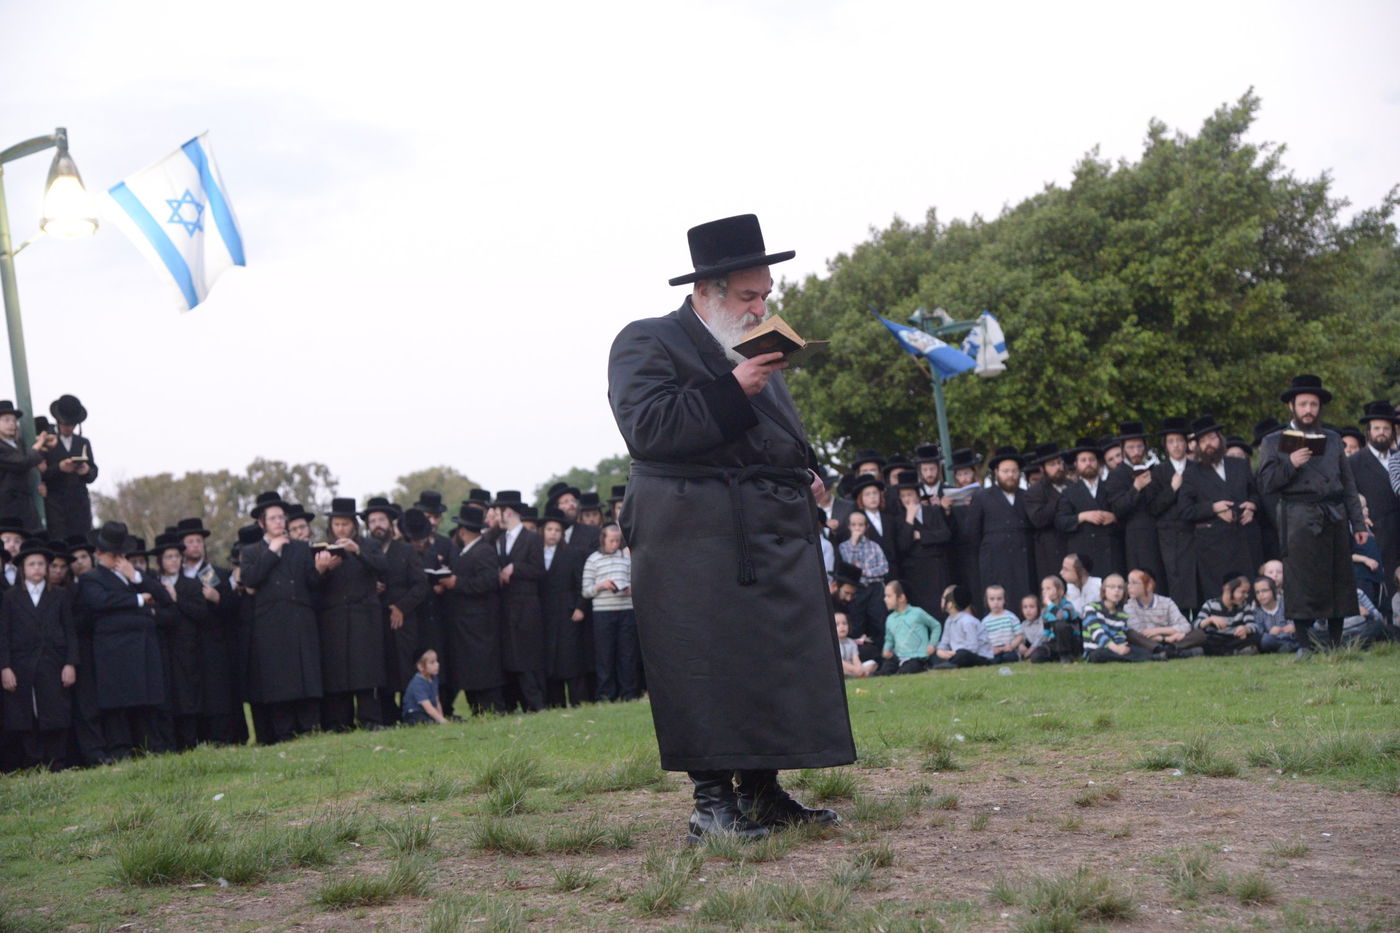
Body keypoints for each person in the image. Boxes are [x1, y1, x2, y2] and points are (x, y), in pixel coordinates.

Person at [607, 213, 851, 842]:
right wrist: (732, 389)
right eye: (748, 296)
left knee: (766, 662)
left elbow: (777, 438)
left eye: (766, 294)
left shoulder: (750, 346)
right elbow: (649, 429)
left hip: (763, 534)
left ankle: (763, 792)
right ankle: (711, 804)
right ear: (706, 292)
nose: (760, 306)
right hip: (689, 536)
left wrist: (810, 473)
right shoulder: (645, 340)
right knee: (705, 664)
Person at [1256, 375, 1368, 652]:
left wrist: (1358, 522)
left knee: (1338, 579)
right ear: (1291, 407)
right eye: (1303, 404)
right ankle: (1304, 644)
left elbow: (1348, 484)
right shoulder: (1273, 441)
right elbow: (1265, 484)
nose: (1309, 410)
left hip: (1334, 515)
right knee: (1301, 580)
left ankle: (1335, 644)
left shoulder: (1332, 439)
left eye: (1314, 404)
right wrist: (1290, 464)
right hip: (1297, 517)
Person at [240, 491, 333, 742]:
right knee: (278, 679)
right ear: (262, 523)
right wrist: (272, 551)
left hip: (300, 620)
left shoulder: (302, 548)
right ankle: (284, 732)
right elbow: (249, 580)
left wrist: (321, 570)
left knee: (305, 676)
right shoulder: (251, 552)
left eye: (282, 517)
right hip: (270, 624)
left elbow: (311, 583)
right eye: (273, 518)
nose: (279, 522)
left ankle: (310, 729)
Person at [78, 522, 166, 759]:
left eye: (121, 553)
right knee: (118, 704)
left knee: (146, 701)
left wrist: (135, 576)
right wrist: (138, 600)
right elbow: (100, 601)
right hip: (113, 650)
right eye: (112, 554)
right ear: (98, 553)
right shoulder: (92, 578)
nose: (118, 558)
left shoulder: (136, 575)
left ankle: (151, 746)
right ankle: (121, 750)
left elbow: (162, 596)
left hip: (143, 645)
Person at [0, 539, 77, 768]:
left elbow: (70, 631)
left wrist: (70, 663)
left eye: (41, 564)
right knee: (25, 714)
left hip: (53, 663)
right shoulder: (11, 597)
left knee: (55, 712)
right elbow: (3, 634)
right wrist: (5, 667)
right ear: (23, 568)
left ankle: (57, 762)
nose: (37, 568)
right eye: (31, 564)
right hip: (21, 665)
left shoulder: (60, 595)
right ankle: (34, 762)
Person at [316, 498, 387, 731]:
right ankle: (340, 722)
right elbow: (314, 584)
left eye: (345, 524)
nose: (340, 529)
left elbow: (382, 566)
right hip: (334, 619)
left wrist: (357, 551)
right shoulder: (322, 549)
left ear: (354, 526)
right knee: (338, 671)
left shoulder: (369, 545)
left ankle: (370, 719)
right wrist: (324, 569)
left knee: (366, 670)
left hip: (364, 617)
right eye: (336, 525)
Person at [362, 497, 428, 724]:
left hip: (404, 621)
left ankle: (411, 712)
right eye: (372, 521)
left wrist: (401, 607)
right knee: (382, 670)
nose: (377, 525)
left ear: (391, 523)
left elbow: (421, 585)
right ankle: (387, 717)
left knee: (405, 667)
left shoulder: (406, 550)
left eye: (382, 519)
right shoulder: (364, 551)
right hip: (374, 620)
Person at [1178, 416, 1260, 598]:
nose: (1209, 444)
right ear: (1197, 446)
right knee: (1220, 596)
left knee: (1248, 593)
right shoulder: (1192, 473)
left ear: (1220, 440)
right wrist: (1213, 508)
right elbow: (1185, 510)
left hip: (1244, 541)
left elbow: (1255, 493)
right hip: (1213, 547)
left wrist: (1252, 506)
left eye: (1212, 438)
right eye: (1203, 440)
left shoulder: (1239, 464)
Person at [438, 504, 506, 715]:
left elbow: (487, 582)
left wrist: (456, 583)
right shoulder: (464, 553)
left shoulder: (484, 551)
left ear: (462, 531)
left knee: (483, 669)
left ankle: (491, 708)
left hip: (480, 622)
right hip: (465, 624)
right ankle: (477, 708)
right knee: (470, 670)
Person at [490, 491, 548, 712]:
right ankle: (515, 702)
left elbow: (539, 570)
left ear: (509, 512)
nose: (496, 516)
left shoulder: (531, 538)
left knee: (528, 656)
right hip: (507, 607)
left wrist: (516, 568)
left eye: (498, 511)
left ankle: (536, 702)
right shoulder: (499, 539)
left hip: (527, 607)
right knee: (512, 657)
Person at [963, 447, 1035, 607]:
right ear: (996, 472)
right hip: (995, 566)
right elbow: (972, 535)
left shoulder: (1026, 496)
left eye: (1014, 471)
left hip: (1023, 564)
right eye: (1006, 471)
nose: (1010, 475)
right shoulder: (982, 497)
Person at [1103, 421, 1166, 587]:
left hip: (1161, 535)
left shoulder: (1156, 470)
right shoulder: (1116, 475)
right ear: (1123, 448)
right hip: (1136, 541)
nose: (1136, 451)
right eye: (1131, 447)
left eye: (1139, 446)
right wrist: (1136, 488)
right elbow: (1117, 508)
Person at [539, 508, 590, 707]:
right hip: (546, 613)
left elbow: (581, 583)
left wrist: (580, 607)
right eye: (549, 529)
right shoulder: (536, 553)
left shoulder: (572, 554)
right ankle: (555, 702)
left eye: (557, 530)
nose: (553, 533)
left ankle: (578, 700)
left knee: (570, 658)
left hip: (567, 611)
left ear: (562, 534)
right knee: (550, 659)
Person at [581, 522, 637, 701]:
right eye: (611, 540)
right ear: (603, 540)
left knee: (627, 653)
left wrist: (630, 588)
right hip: (603, 613)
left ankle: (628, 692)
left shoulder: (626, 558)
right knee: (605, 654)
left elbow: (635, 581)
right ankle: (606, 694)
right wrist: (601, 586)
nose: (615, 544)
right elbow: (586, 590)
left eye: (617, 541)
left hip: (626, 610)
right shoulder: (593, 560)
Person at [1055, 437, 1124, 578]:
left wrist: (1115, 517)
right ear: (1076, 464)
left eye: (1092, 460)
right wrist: (1083, 516)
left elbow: (1126, 513)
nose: (1088, 464)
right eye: (1083, 460)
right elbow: (1060, 522)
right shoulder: (1068, 492)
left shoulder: (1111, 486)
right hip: (1084, 554)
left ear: (1098, 462)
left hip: (1111, 552)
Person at [1149, 417, 1198, 611]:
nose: (1176, 445)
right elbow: (1153, 507)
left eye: (1179, 441)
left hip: (1195, 532)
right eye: (1171, 441)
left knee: (1197, 577)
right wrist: (1171, 489)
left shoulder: (1197, 468)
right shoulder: (1158, 472)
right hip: (1170, 536)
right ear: (1165, 446)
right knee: (1175, 578)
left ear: (1186, 443)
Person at [39, 395, 98, 540]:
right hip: (56, 504)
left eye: (72, 424)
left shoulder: (83, 442)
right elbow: (40, 473)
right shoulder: (47, 442)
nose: (69, 428)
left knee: (82, 542)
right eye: (66, 424)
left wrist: (86, 471)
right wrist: (59, 467)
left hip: (79, 504)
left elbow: (93, 471)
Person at [838, 508, 890, 651]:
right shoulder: (844, 547)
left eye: (860, 525)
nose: (857, 528)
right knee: (857, 622)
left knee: (879, 621)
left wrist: (864, 572)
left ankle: (881, 654)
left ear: (866, 527)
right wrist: (854, 544)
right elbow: (849, 569)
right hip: (856, 590)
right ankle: (858, 655)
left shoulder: (874, 546)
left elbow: (884, 568)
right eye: (854, 525)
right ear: (849, 527)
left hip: (875, 588)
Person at [0, 401, 55, 533]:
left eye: (13, 421)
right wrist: (39, 444)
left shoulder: (17, 443)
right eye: (6, 420)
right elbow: (22, 462)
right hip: (7, 506)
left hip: (25, 504)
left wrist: (45, 442)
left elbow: (29, 457)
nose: (11, 424)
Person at [1177, 573, 1262, 656]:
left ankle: (1229, 652)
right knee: (1201, 637)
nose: (1246, 596)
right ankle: (1232, 652)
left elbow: (1253, 625)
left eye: (1247, 592)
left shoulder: (1244, 606)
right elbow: (1195, 624)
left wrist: (1246, 629)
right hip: (1215, 639)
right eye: (1243, 592)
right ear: (1228, 589)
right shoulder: (1210, 604)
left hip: (1234, 638)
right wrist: (1210, 620)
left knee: (1255, 637)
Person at [1082, 574, 1158, 662]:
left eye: (1120, 587)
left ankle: (1151, 656)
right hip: (1096, 650)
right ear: (1104, 590)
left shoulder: (1122, 614)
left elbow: (1120, 637)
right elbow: (1098, 634)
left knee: (1141, 651)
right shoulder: (1091, 608)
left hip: (1117, 648)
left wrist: (1122, 647)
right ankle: (1146, 658)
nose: (1116, 590)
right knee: (1099, 654)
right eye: (1112, 587)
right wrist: (1117, 649)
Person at [1023, 444, 1070, 582]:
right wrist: (1061, 498)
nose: (1059, 467)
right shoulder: (1034, 491)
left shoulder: (1072, 485)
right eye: (1052, 464)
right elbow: (1038, 519)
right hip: (1050, 551)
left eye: (1060, 462)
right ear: (1042, 469)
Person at [876, 580, 939, 674]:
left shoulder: (917, 613)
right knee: (884, 671)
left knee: (905, 672)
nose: (885, 599)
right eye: (885, 596)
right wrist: (886, 649)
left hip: (917, 658)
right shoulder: (890, 619)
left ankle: (924, 667)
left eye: (889, 596)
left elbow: (936, 626)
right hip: (898, 658)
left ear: (901, 597)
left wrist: (932, 644)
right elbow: (889, 639)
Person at [1123, 569, 1192, 653]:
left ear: (1149, 586)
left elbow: (1185, 626)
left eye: (1134, 583)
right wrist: (1166, 639)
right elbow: (1140, 633)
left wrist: (1157, 631)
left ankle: (1169, 649)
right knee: (1131, 634)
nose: (1129, 586)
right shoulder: (1128, 606)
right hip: (1149, 642)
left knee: (1199, 635)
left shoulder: (1166, 602)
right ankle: (1169, 650)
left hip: (1171, 638)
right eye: (1128, 582)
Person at [932, 584, 993, 667]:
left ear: (950, 604)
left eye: (943, 598)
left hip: (978, 656)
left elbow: (973, 648)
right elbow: (944, 642)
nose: (941, 600)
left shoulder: (967, 621)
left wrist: (954, 653)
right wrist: (940, 651)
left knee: (963, 654)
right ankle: (950, 663)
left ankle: (951, 664)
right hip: (956, 654)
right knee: (934, 654)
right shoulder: (949, 621)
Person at [1029, 574, 1081, 662]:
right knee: (1036, 657)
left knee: (1060, 625)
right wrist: (1045, 643)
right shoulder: (1045, 611)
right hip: (1055, 641)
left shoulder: (1068, 606)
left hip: (1070, 641)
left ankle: (1066, 655)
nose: (1045, 592)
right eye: (1043, 589)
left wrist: (1049, 604)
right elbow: (1046, 631)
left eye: (1048, 588)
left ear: (1059, 591)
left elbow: (1061, 616)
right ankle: (1056, 656)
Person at [401, 649, 446, 725]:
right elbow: (428, 707)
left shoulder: (434, 678)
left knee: (436, 720)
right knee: (427, 722)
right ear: (421, 667)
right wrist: (442, 721)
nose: (437, 664)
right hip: (414, 712)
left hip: (425, 712)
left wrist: (441, 717)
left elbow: (437, 701)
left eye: (436, 661)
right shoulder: (418, 682)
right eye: (432, 662)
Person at [980, 584, 1023, 663]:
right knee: (992, 660)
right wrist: (990, 648)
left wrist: (1012, 646)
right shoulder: (985, 622)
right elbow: (983, 640)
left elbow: (1019, 635)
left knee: (1010, 657)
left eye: (999, 599)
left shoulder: (1011, 617)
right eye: (992, 599)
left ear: (1004, 600)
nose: (996, 602)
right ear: (987, 601)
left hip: (1009, 649)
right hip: (994, 650)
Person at [1253, 575, 1295, 654]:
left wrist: (1292, 628)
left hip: (1291, 638)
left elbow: (1293, 621)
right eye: (1257, 592)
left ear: (1273, 590)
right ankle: (1289, 648)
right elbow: (1259, 633)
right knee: (1266, 640)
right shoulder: (1257, 613)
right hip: (1274, 640)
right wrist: (1270, 633)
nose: (1261, 595)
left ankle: (1289, 647)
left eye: (1264, 591)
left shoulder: (1285, 604)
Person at [835, 612, 876, 677]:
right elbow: (841, 662)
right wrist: (854, 669)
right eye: (837, 624)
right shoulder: (833, 644)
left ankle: (860, 674)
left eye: (844, 623)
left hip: (852, 667)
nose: (842, 626)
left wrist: (859, 668)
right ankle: (859, 674)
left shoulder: (851, 642)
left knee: (872, 663)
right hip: (842, 667)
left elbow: (856, 659)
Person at [1017, 592, 1043, 659]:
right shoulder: (1023, 625)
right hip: (1035, 649)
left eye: (1031, 607)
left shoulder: (1042, 620)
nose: (1028, 610)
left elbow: (1041, 638)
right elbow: (1020, 637)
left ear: (1038, 608)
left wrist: (1030, 650)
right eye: (1025, 607)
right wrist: (1020, 645)